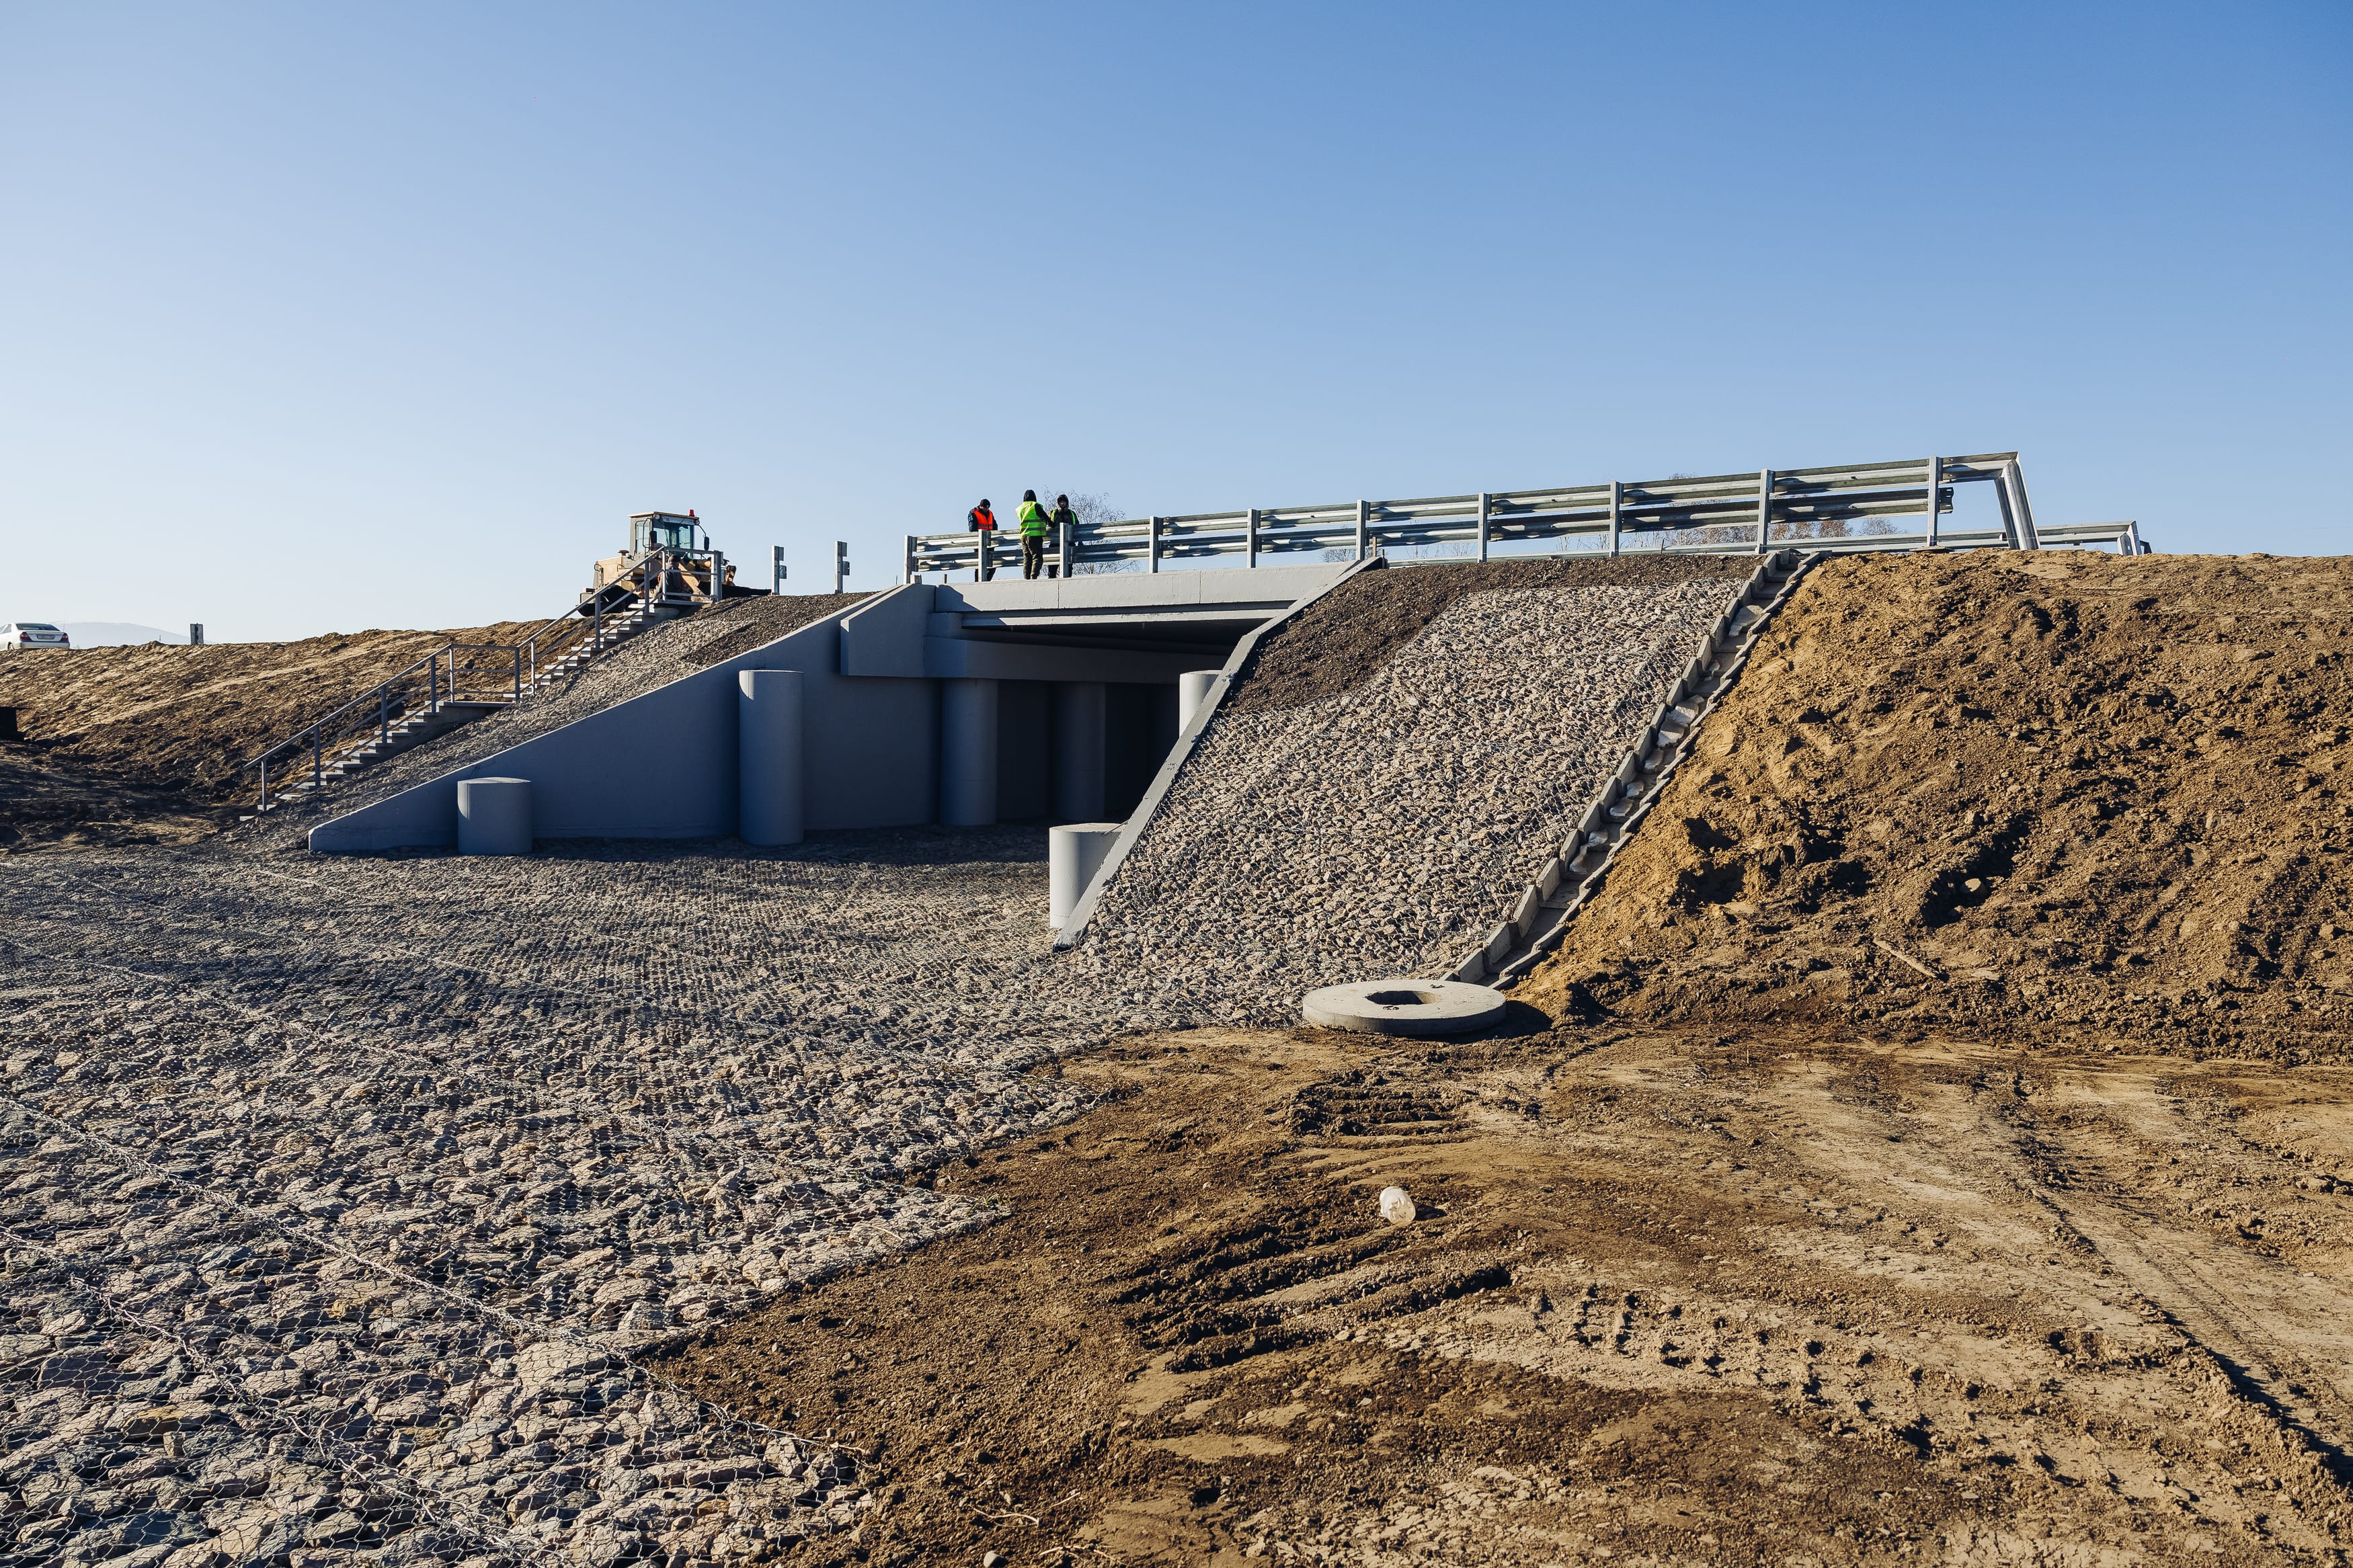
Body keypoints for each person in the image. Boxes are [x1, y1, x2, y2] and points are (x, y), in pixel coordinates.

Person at [1016, 489, 1052, 579]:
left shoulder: (1020, 508)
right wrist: (1053, 525)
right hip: (1035, 535)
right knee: (1037, 557)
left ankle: (1027, 578)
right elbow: (1045, 517)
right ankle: (1033, 577)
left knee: (1027, 558)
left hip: (1023, 536)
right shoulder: (1034, 506)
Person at [1047, 494, 1077, 579]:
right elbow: (1047, 526)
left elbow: (1077, 527)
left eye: (1064, 502)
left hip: (1069, 543)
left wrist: (1080, 541)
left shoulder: (1071, 514)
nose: (1062, 503)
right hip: (1055, 543)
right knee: (1052, 569)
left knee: (1068, 569)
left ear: (1067, 503)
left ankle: (1067, 584)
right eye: (1060, 502)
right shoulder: (1053, 513)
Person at [967, 498, 997, 581]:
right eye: (985, 507)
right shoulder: (974, 513)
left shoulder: (990, 513)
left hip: (989, 541)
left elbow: (995, 526)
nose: (987, 509)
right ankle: (978, 583)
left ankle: (986, 581)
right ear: (981, 506)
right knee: (980, 565)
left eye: (988, 507)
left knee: (993, 563)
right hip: (979, 542)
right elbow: (972, 529)